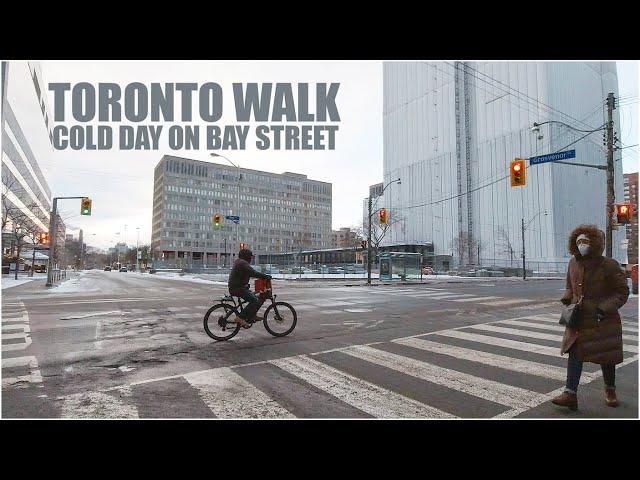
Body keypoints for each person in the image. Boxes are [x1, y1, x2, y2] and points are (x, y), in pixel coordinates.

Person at [551, 224, 629, 411]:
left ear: (594, 243)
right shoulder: (573, 262)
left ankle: (610, 390)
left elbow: (622, 292)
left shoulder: (609, 265)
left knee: (606, 356)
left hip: (603, 319)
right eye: (578, 242)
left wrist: (603, 309)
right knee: (575, 351)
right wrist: (567, 296)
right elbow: (569, 284)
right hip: (578, 318)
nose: (581, 245)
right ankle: (570, 394)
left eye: (585, 241)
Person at [228, 248, 271, 327]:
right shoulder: (242, 263)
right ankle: (240, 318)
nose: (251, 259)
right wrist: (265, 276)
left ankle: (252, 315)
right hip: (238, 288)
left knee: (257, 297)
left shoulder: (240, 262)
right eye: (250, 257)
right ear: (246, 256)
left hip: (238, 287)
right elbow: (253, 273)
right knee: (254, 300)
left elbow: (248, 273)